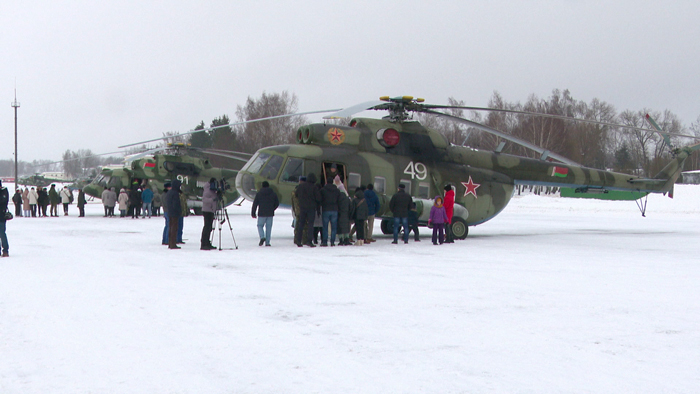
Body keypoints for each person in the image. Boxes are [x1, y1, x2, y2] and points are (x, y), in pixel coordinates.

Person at [294, 173, 321, 247]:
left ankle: (299, 240)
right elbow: (318, 198)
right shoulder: (314, 187)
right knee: (310, 225)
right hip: (311, 208)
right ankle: (309, 241)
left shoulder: (301, 186)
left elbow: (296, 194)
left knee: (301, 224)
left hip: (302, 208)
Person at [251, 181, 279, 247]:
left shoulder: (259, 194)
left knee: (260, 225)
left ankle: (262, 237)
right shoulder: (273, 194)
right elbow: (277, 203)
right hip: (270, 214)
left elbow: (255, 204)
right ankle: (267, 242)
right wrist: (272, 209)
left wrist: (253, 212)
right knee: (269, 228)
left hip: (261, 213)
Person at [320, 176, 341, 246]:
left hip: (325, 209)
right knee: (334, 227)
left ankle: (325, 241)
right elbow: (339, 200)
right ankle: (332, 241)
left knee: (325, 226)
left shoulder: (323, 190)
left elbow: (320, 199)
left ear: (326, 182)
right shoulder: (337, 190)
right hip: (335, 210)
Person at [200, 178, 218, 250]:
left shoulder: (212, 189)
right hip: (207, 210)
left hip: (211, 210)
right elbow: (204, 199)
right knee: (207, 227)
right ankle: (204, 243)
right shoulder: (208, 189)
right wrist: (212, 200)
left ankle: (207, 242)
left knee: (209, 227)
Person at [165, 180, 182, 249]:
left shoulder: (169, 192)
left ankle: (170, 243)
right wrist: (179, 211)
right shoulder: (175, 193)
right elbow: (176, 204)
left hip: (169, 212)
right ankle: (173, 244)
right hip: (174, 213)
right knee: (174, 228)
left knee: (170, 227)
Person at [0, 180, 10, 257]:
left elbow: (4, 202)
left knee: (2, 233)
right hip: (2, 216)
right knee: (2, 233)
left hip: (2, 216)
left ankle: (5, 250)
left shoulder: (4, 192)